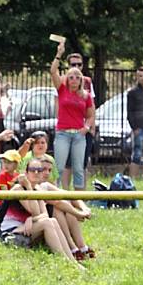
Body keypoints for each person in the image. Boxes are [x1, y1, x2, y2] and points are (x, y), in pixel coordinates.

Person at [0, 159, 82, 266]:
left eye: (39, 170)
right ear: (26, 172)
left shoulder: (38, 190)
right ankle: (66, 262)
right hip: (9, 234)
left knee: (52, 221)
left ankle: (72, 261)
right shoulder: (18, 189)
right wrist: (28, 187)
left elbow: (43, 214)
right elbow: (34, 211)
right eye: (33, 170)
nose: (36, 173)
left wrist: (31, 219)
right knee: (47, 223)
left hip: (25, 230)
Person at [50, 40, 94, 190]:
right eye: (71, 77)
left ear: (81, 80)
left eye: (77, 77)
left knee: (78, 169)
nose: (74, 79)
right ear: (66, 79)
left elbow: (91, 115)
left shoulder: (85, 95)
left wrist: (87, 127)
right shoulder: (62, 90)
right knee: (59, 167)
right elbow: (53, 72)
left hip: (79, 136)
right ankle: (55, 197)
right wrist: (59, 54)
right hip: (63, 133)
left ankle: (79, 201)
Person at [65, 53, 96, 187]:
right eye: (73, 64)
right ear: (68, 66)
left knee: (82, 163)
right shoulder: (62, 82)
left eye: (79, 64)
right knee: (67, 164)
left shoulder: (87, 82)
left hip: (84, 128)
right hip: (67, 128)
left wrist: (91, 127)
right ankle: (64, 194)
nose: (77, 67)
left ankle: (81, 196)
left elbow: (92, 106)